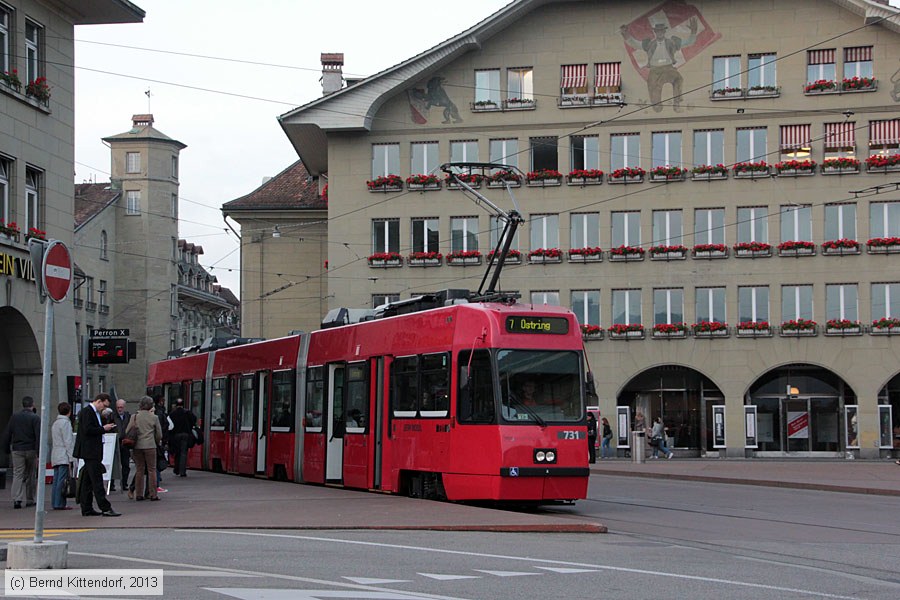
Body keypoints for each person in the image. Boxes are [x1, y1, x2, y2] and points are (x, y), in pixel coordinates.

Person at [620, 19, 698, 112]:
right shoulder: (649, 43)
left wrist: (693, 32)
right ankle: (657, 106)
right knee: (652, 85)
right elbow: (635, 44)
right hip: (655, 70)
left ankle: (676, 103)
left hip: (668, 68)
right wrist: (626, 34)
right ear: (655, 32)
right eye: (657, 31)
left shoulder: (671, 42)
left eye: (661, 31)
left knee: (678, 79)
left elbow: (688, 42)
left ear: (664, 32)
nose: (659, 33)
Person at [73, 393, 121, 516]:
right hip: (90, 451)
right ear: (99, 401)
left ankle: (87, 508)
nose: (104, 409)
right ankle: (105, 507)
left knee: (87, 481)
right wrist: (103, 429)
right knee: (97, 480)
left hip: (92, 451)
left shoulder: (94, 413)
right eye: (104, 406)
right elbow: (88, 430)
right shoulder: (87, 412)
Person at [2, 396, 41, 509]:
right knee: (31, 475)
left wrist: (6, 449)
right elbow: (38, 436)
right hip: (31, 449)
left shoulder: (14, 417)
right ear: (32, 405)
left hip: (17, 449)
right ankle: (30, 499)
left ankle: (17, 499)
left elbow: (8, 433)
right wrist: (39, 453)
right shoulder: (35, 418)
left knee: (17, 474)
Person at [129, 396, 162, 501]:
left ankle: (139, 494)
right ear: (151, 405)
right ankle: (153, 494)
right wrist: (155, 441)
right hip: (150, 446)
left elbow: (127, 430)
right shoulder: (154, 417)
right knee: (152, 470)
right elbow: (159, 434)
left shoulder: (134, 417)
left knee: (140, 470)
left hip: (137, 446)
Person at [50, 402, 75, 510]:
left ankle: (55, 502)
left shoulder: (55, 423)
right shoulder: (66, 423)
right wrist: (71, 457)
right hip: (63, 454)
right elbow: (68, 441)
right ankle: (60, 503)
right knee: (62, 481)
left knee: (56, 480)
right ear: (69, 411)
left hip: (55, 453)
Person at [168, 398, 196, 477]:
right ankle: (182, 471)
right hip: (185, 435)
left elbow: (169, 425)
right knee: (183, 453)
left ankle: (176, 469)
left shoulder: (172, 414)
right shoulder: (188, 413)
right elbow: (194, 420)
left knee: (177, 452)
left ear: (176, 405)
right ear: (183, 405)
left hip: (176, 435)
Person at [113, 399, 131, 492]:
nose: (120, 409)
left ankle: (124, 483)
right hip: (115, 442)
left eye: (121, 407)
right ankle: (111, 484)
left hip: (125, 443)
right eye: (118, 407)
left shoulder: (128, 416)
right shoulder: (112, 416)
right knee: (114, 464)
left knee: (125, 465)